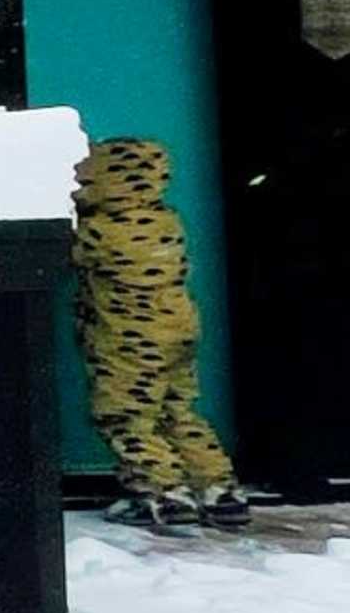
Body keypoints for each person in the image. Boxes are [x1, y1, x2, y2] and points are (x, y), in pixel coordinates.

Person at [70, 134, 248, 533]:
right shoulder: (166, 220)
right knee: (176, 410)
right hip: (178, 329)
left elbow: (70, 258)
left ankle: (163, 493)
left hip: (129, 337)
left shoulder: (99, 231)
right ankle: (219, 488)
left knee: (125, 416)